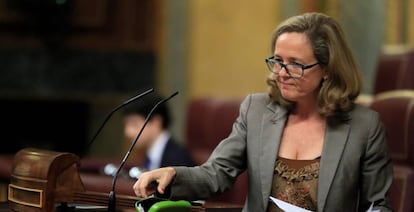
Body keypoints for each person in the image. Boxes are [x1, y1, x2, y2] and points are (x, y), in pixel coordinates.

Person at [132, 12, 394, 211]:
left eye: (296, 64)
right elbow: (217, 173)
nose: (282, 73)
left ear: (327, 69)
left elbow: (378, 205)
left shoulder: (364, 126)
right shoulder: (256, 110)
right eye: (278, 61)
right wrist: (173, 175)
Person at [121, 93, 195, 176]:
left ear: (156, 122)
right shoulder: (149, 156)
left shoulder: (178, 159)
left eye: (134, 124)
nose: (127, 132)